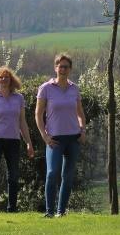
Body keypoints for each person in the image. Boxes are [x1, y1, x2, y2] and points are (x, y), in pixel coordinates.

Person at [35, 54, 86, 218]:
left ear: (70, 69)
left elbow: (80, 113)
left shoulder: (74, 88)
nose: (63, 69)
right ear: (55, 68)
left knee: (68, 176)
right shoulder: (46, 88)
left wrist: (83, 130)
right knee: (51, 173)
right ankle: (49, 212)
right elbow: (38, 115)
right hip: (54, 139)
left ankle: (61, 211)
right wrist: (45, 136)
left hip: (73, 139)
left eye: (66, 67)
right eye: (60, 66)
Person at [0, 66, 34, 213]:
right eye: (1, 77)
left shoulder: (19, 98)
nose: (4, 79)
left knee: (13, 175)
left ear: (11, 80)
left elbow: (22, 122)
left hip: (13, 140)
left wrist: (29, 143)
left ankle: (12, 208)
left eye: (6, 77)